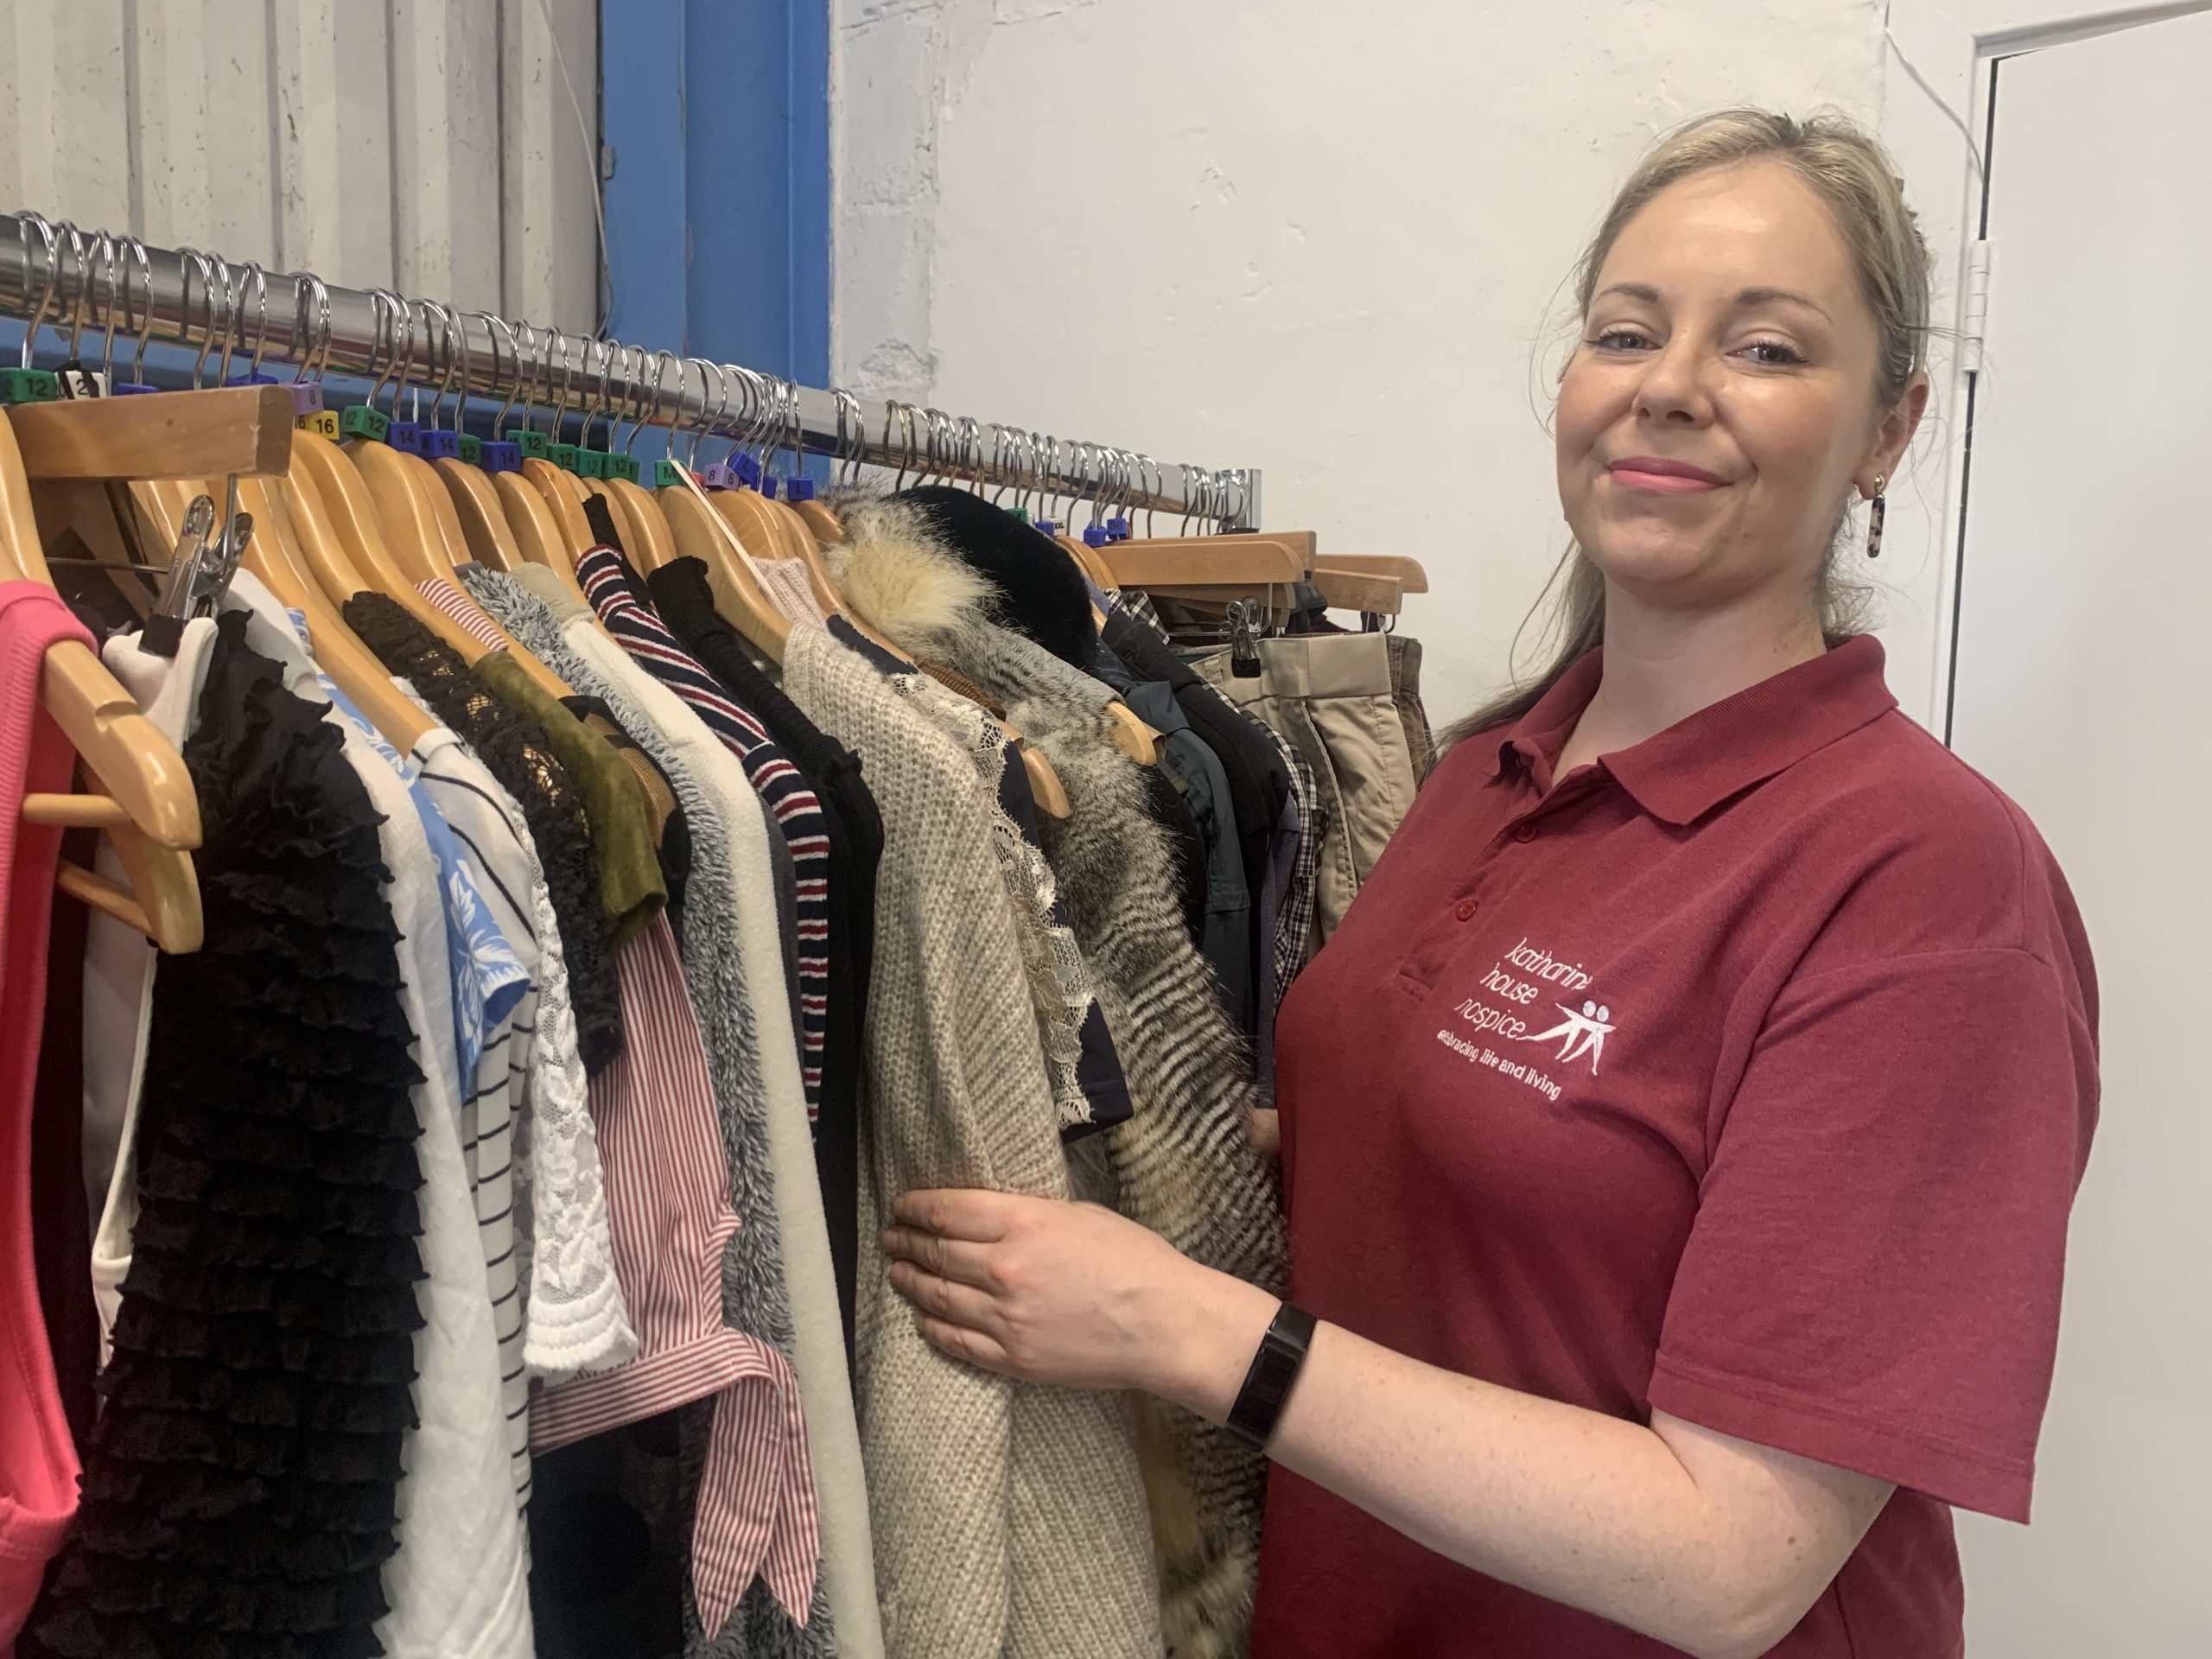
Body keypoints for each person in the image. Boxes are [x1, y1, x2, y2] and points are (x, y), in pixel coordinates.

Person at [880, 109, 2099, 1659]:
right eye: (1625, 331)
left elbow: (1734, 1559)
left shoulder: (1925, 887)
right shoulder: (1485, 771)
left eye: (1770, 348)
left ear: (1889, 427)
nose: (1669, 388)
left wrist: (1186, 1330)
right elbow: (1449, 1173)